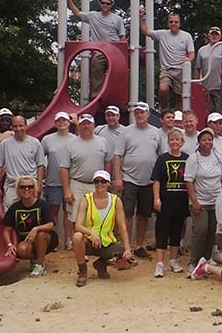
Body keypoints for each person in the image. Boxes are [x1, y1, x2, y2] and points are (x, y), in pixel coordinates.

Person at [113, 101, 163, 259]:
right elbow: (117, 156)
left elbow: (161, 156)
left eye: (142, 112)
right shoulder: (126, 132)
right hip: (129, 179)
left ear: (148, 114)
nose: (140, 115)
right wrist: (117, 178)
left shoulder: (156, 132)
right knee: (127, 214)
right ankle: (126, 246)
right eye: (137, 112)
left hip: (148, 181)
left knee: (143, 214)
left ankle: (139, 245)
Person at [71, 170, 133, 286]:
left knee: (126, 261)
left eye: (103, 181)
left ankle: (101, 264)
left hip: (107, 241)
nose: (99, 184)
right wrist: (92, 234)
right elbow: (78, 225)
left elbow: (122, 227)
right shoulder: (86, 200)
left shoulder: (115, 201)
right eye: (97, 181)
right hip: (89, 241)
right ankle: (83, 270)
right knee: (77, 237)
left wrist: (128, 249)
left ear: (108, 183)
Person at [62, 114, 112, 251]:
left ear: (93, 125)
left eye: (88, 123)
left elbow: (108, 162)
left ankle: (93, 242)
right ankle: (77, 243)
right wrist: (66, 190)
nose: (86, 126)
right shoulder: (71, 143)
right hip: (77, 183)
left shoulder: (102, 141)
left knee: (95, 215)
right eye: (83, 123)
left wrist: (107, 181)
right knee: (75, 216)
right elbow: (64, 168)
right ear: (79, 125)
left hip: (98, 184)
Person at [64, 0, 126, 95]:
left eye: (108, 3)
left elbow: (122, 37)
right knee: (96, 63)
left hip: (113, 49)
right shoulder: (93, 16)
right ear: (100, 3)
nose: (105, 5)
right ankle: (96, 94)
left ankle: (116, 93)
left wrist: (121, 53)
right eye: (103, 2)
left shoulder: (117, 19)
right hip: (100, 50)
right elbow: (77, 13)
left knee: (119, 70)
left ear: (111, 4)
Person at [185, 128, 222, 275]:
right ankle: (194, 261)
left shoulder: (218, 157)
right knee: (200, 230)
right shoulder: (193, 159)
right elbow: (189, 181)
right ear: (199, 142)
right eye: (204, 139)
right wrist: (195, 201)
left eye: (209, 139)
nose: (207, 142)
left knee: (212, 232)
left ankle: (206, 260)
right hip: (200, 202)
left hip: (216, 201)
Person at [151, 129, 190, 277]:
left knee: (176, 231)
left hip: (180, 201)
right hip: (165, 201)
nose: (175, 142)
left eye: (177, 140)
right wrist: (156, 198)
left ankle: (173, 260)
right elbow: (156, 180)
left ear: (182, 142)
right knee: (162, 232)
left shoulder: (187, 158)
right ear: (168, 142)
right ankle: (159, 263)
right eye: (172, 140)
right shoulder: (162, 159)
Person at [3, 176, 58, 277]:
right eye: (23, 187)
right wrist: (9, 245)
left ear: (34, 188)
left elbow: (51, 224)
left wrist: (36, 229)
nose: (26, 189)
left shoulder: (42, 204)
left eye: (30, 187)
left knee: (40, 235)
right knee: (21, 250)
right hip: (27, 240)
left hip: (46, 238)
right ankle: (36, 258)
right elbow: (6, 229)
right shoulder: (15, 207)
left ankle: (40, 265)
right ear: (18, 189)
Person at [140, 10, 195, 110]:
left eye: (176, 22)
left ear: (179, 23)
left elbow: (191, 54)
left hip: (181, 69)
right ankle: (165, 109)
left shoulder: (186, 36)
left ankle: (178, 115)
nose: (173, 24)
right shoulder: (162, 34)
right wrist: (140, 18)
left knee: (180, 96)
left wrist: (188, 59)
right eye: (171, 22)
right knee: (163, 89)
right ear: (168, 23)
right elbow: (146, 31)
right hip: (167, 69)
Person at [0, 115, 45, 211]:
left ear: (26, 126)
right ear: (12, 127)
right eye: (15, 126)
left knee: (35, 213)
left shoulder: (35, 143)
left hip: (31, 185)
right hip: (12, 185)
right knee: (10, 213)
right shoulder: (5, 144)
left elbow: (40, 165)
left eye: (21, 125)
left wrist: (39, 184)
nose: (18, 129)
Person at [42, 112, 76, 248]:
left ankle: (69, 240)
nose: (62, 123)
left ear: (69, 122)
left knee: (69, 212)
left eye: (64, 120)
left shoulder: (75, 139)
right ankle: (53, 241)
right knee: (53, 212)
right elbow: (39, 159)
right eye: (59, 120)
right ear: (55, 123)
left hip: (71, 182)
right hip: (53, 182)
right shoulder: (47, 140)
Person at [193, 26, 222, 115]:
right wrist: (196, 85)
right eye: (212, 34)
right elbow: (197, 68)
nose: (214, 36)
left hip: (221, 86)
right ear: (209, 35)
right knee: (207, 113)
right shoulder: (202, 50)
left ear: (220, 36)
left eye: (217, 34)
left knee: (221, 113)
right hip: (206, 87)